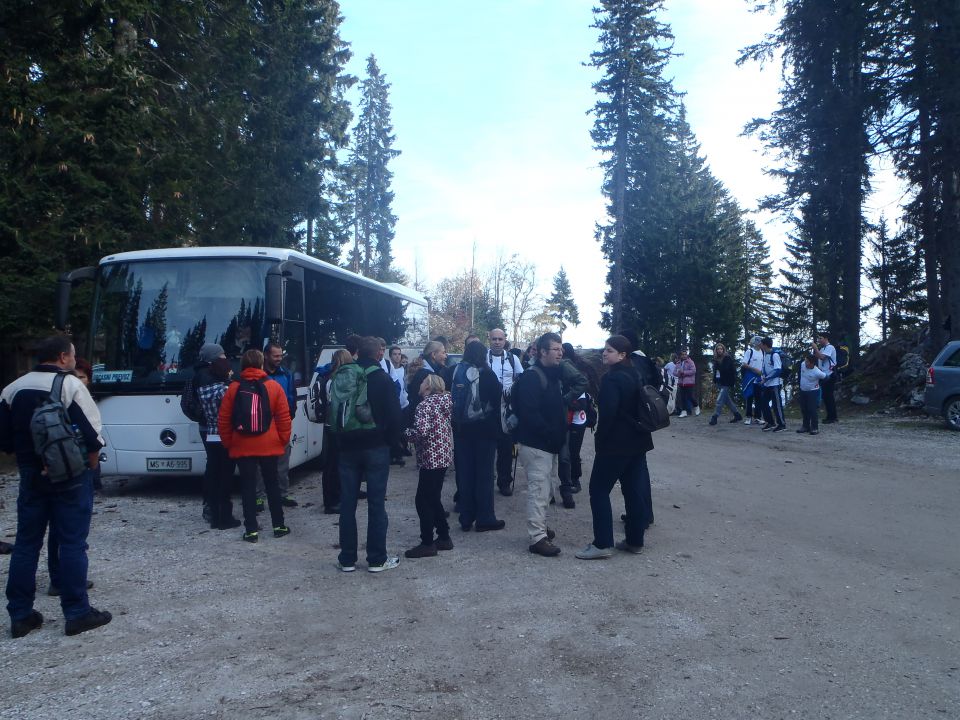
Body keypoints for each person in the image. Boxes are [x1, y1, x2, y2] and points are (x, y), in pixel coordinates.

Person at [1, 335, 112, 637]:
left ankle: (21, 615)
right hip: (70, 476)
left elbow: (5, 442)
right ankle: (77, 612)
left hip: (30, 475)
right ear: (63, 357)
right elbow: (94, 436)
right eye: (73, 356)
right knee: (72, 542)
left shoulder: (12, 389)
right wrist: (88, 467)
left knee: (26, 543)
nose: (75, 361)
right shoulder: (71, 385)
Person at [576, 335, 651, 559]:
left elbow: (608, 414)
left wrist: (600, 440)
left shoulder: (612, 379)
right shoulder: (635, 374)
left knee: (598, 490)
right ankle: (635, 541)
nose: (604, 354)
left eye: (609, 351)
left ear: (622, 355)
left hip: (616, 445)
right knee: (633, 491)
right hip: (638, 441)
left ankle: (602, 543)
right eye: (605, 350)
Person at [335, 336, 402, 573]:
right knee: (376, 504)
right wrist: (391, 443)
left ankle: (347, 559)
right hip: (376, 447)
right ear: (378, 354)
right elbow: (395, 416)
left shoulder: (344, 374)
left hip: (347, 447)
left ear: (356, 353)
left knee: (347, 504)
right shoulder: (382, 378)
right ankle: (376, 559)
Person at [218, 348, 292, 543]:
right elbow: (284, 418)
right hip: (269, 444)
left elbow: (224, 419)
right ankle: (279, 525)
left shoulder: (233, 388)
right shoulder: (274, 386)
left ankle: (251, 530)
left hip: (243, 444)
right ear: (261, 363)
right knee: (272, 485)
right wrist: (282, 441)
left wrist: (229, 443)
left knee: (248, 487)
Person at [514, 333, 567, 557]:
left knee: (545, 490)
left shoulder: (551, 375)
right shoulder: (532, 378)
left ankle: (541, 528)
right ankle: (537, 538)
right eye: (555, 349)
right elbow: (529, 414)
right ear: (542, 352)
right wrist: (549, 434)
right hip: (537, 444)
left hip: (547, 444)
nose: (560, 353)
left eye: (560, 349)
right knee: (538, 490)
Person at [452, 341, 505, 533]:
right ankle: (485, 517)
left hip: (461, 431)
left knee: (465, 473)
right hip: (485, 432)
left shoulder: (456, 372)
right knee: (484, 475)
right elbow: (498, 401)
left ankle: (466, 516)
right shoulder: (489, 375)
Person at [403, 374, 454, 558]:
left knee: (422, 500)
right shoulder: (445, 402)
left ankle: (427, 542)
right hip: (443, 455)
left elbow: (420, 432)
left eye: (423, 381)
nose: (420, 382)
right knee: (433, 497)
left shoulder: (424, 405)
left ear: (428, 387)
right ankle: (444, 536)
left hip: (430, 457)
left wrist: (404, 433)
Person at [196, 353, 241, 529]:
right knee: (225, 478)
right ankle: (225, 517)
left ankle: (214, 515)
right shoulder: (227, 390)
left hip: (211, 434)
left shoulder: (203, 390)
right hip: (225, 434)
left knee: (214, 475)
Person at [258, 342, 298, 509]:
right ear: (266, 356)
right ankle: (258, 497)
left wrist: (289, 414)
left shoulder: (286, 374)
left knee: (282, 462)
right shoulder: (259, 376)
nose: (279, 359)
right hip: (263, 426)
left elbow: (291, 396)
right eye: (276, 356)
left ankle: (283, 494)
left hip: (281, 424)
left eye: (281, 355)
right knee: (259, 464)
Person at [487, 328, 524, 496]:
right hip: (487, 409)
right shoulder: (483, 357)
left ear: (505, 340)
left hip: (506, 408)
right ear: (489, 339)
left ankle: (504, 482)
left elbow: (520, 379)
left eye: (499, 339)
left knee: (506, 447)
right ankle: (486, 480)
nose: (496, 342)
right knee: (487, 447)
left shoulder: (512, 358)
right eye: (494, 339)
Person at [560, 343, 599, 496]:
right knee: (565, 452)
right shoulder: (561, 372)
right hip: (565, 417)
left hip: (577, 418)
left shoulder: (578, 375)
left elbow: (582, 401)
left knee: (573, 451)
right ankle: (566, 480)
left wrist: (566, 400)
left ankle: (575, 480)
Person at [318, 349, 354, 514]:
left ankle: (333, 499)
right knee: (336, 465)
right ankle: (333, 501)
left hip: (330, 425)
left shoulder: (328, 379)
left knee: (332, 464)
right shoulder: (341, 380)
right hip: (340, 427)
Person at [709, 344, 742, 425]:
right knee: (727, 400)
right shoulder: (716, 360)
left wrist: (732, 381)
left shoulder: (727, 358)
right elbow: (716, 372)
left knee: (719, 399)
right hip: (719, 382)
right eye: (718, 349)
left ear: (723, 350)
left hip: (727, 382)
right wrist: (714, 381)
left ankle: (715, 416)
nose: (719, 350)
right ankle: (737, 414)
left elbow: (727, 369)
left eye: (721, 349)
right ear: (716, 350)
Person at [758, 337, 786, 432]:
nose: (760, 345)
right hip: (767, 384)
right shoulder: (765, 354)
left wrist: (767, 378)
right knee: (763, 402)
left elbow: (778, 370)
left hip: (774, 384)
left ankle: (781, 424)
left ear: (765, 345)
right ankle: (770, 422)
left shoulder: (774, 355)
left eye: (761, 344)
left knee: (776, 404)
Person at [797, 353, 827, 435]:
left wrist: (819, 384)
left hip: (813, 391)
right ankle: (805, 426)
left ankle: (814, 427)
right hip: (803, 390)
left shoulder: (817, 372)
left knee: (812, 409)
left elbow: (826, 377)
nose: (805, 362)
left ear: (812, 363)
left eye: (807, 362)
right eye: (805, 361)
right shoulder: (803, 364)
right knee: (804, 409)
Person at [814, 331, 838, 424]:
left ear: (826, 339)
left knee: (829, 396)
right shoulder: (823, 348)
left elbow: (822, 357)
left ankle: (833, 417)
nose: (819, 340)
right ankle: (829, 416)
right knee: (826, 396)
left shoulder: (830, 347)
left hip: (830, 374)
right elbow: (817, 357)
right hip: (824, 375)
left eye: (821, 338)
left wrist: (816, 348)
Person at [740, 336, 765, 425]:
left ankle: (758, 417)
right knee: (749, 397)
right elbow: (744, 364)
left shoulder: (762, 352)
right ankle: (748, 416)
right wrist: (754, 370)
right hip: (750, 377)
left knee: (758, 398)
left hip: (759, 378)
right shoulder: (749, 351)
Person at [674, 349, 700, 417]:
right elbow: (674, 372)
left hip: (689, 382)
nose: (684, 356)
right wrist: (679, 373)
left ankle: (696, 406)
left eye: (685, 354)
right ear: (680, 355)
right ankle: (684, 411)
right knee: (682, 397)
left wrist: (684, 372)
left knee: (690, 396)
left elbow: (693, 371)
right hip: (681, 382)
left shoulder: (690, 362)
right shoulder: (678, 363)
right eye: (682, 354)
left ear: (687, 355)